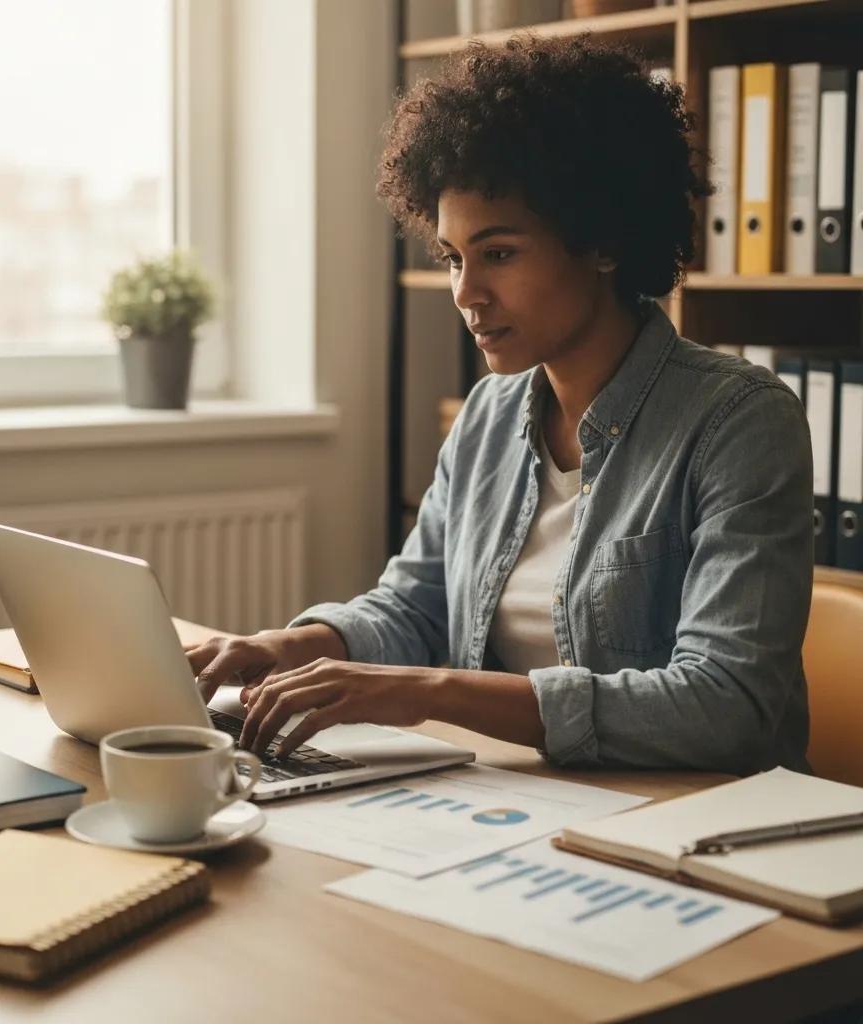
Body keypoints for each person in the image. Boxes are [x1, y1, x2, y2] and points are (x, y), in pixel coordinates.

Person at [188, 33, 813, 775]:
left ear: (603, 240)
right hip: (526, 804)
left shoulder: (739, 422)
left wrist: (431, 691)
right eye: (454, 258)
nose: (466, 294)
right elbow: (415, 609)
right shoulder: (487, 415)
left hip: (686, 823)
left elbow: (725, 703)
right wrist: (283, 646)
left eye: (499, 254)